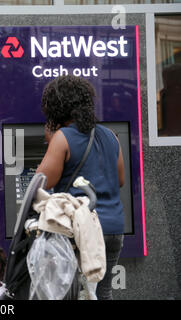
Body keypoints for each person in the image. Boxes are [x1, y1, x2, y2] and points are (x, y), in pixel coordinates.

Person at [36, 75, 125, 300]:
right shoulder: (110, 136)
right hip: (113, 228)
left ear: (56, 108)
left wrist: (50, 142)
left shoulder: (62, 138)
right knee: (102, 292)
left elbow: (41, 182)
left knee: (72, 293)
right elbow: (120, 179)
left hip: (82, 229)